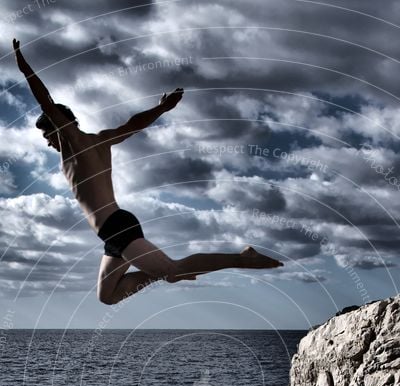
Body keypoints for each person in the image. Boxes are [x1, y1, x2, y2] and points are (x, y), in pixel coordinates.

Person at [12, 39, 284, 305]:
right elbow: (132, 125)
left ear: (60, 126)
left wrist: (25, 68)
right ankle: (157, 271)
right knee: (108, 296)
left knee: (174, 272)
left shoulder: (76, 141)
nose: (47, 142)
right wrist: (161, 108)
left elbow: (46, 102)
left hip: (117, 227)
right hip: (112, 232)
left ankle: (242, 257)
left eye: (47, 135)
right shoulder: (100, 140)